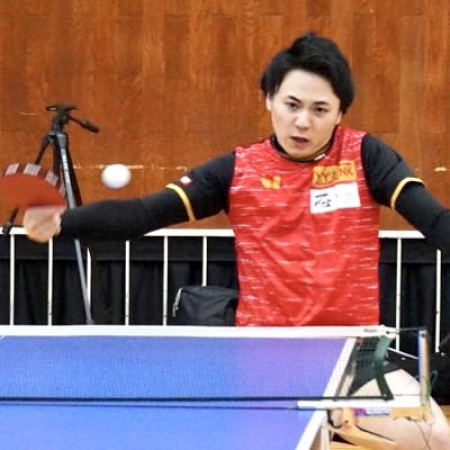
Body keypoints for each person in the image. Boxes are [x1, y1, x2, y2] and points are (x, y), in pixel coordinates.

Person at [23, 32, 450, 449]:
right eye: (292, 104)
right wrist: (63, 221)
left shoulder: (366, 157)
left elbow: (432, 219)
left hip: (355, 358)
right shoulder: (237, 171)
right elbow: (144, 213)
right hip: (264, 361)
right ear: (269, 99)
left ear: (340, 113)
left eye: (320, 109)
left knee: (435, 437)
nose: (303, 121)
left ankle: (338, 423)